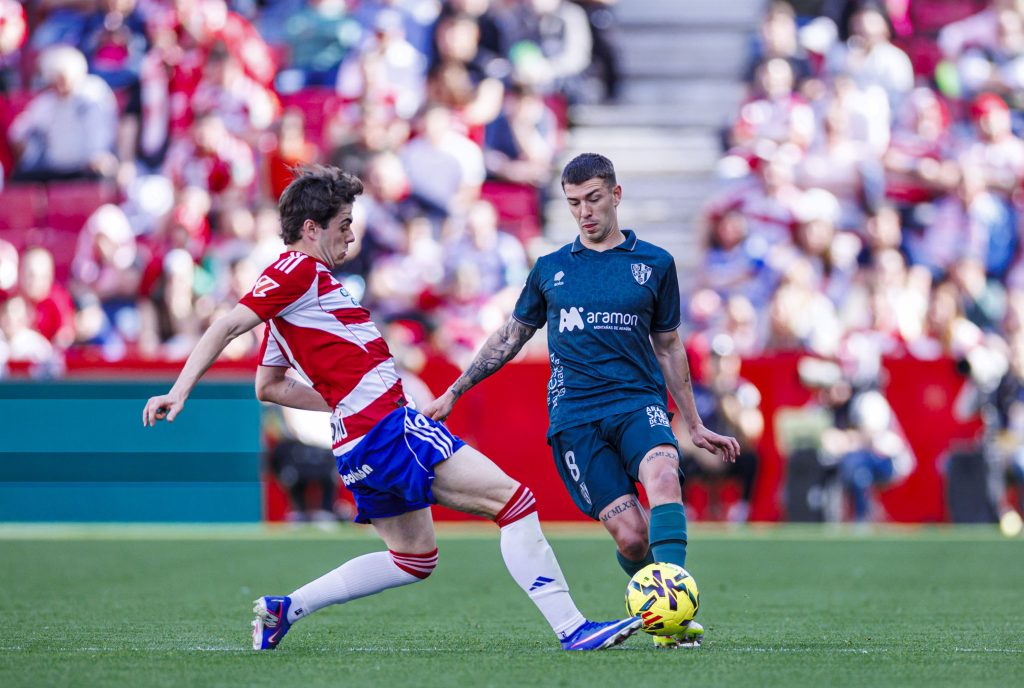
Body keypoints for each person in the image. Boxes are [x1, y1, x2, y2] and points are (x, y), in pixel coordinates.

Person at [141, 164, 639, 652]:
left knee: (414, 558)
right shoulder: (295, 270)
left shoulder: (298, 299)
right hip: (386, 430)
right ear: (310, 229)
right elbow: (227, 326)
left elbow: (269, 387)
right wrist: (179, 389)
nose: (351, 239)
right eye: (343, 226)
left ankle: (284, 609)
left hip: (358, 441)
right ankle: (572, 628)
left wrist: (348, 398)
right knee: (515, 503)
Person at [424, 153, 741, 649]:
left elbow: (669, 344)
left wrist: (695, 423)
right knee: (633, 538)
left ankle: (672, 615)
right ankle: (658, 604)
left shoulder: (655, 264)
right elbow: (510, 337)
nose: (584, 212)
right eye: (573, 203)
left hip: (639, 402)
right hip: (576, 419)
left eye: (593, 199)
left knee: (662, 477)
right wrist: (455, 389)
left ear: (615, 195)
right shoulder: (551, 270)